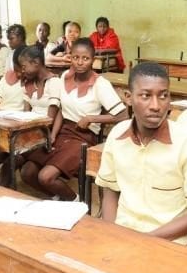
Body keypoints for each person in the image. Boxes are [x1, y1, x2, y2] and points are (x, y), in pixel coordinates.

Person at [95, 62, 187, 245]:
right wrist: (113, 233)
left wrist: (145, 241)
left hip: (166, 242)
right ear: (128, 97)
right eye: (145, 95)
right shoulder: (117, 135)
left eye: (163, 96)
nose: (155, 105)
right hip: (122, 234)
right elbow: (110, 190)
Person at [21, 38, 128, 201]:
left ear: (93, 60)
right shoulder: (65, 77)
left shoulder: (100, 84)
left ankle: (76, 202)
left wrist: (91, 118)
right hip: (63, 132)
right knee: (27, 172)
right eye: (76, 57)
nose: (80, 62)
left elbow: (123, 115)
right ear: (70, 57)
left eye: (85, 58)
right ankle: (59, 198)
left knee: (45, 177)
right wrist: (53, 134)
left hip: (83, 137)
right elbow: (61, 111)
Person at [0, 47, 26, 111]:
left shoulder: (32, 82)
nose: (18, 74)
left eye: (21, 70)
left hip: (18, 118)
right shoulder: (8, 77)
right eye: (16, 70)